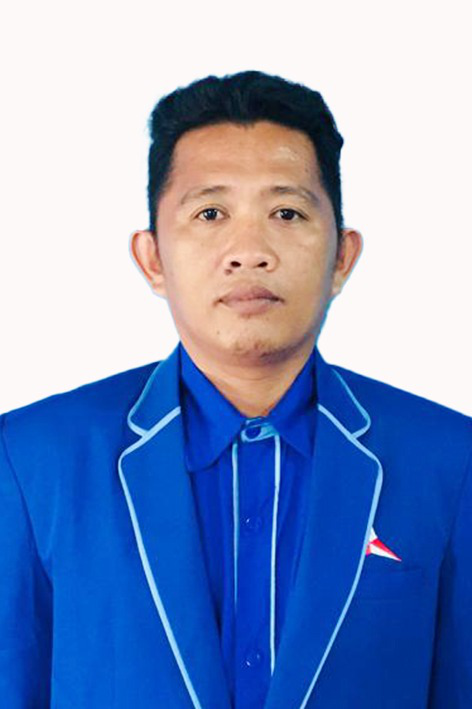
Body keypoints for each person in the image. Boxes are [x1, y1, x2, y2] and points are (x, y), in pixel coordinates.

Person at [0, 70, 470, 709]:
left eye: (286, 212)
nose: (249, 251)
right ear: (153, 258)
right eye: (211, 213)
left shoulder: (450, 461)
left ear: (341, 257)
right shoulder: (32, 459)